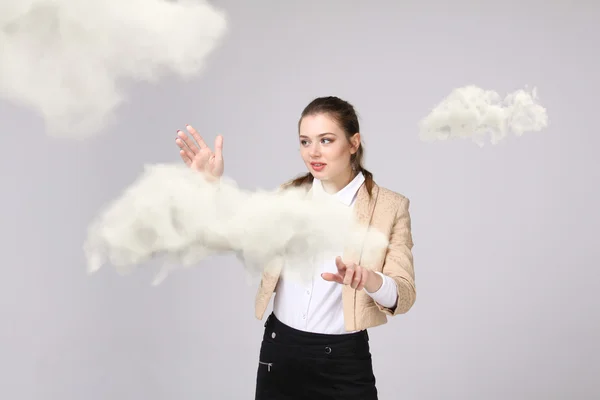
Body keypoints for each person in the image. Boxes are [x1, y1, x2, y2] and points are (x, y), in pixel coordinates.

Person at [175, 96, 416, 400]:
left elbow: (403, 295)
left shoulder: (390, 207)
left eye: (326, 140)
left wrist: (369, 279)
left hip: (343, 362)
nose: (313, 152)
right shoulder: (288, 196)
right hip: (280, 352)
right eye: (305, 141)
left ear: (353, 143)